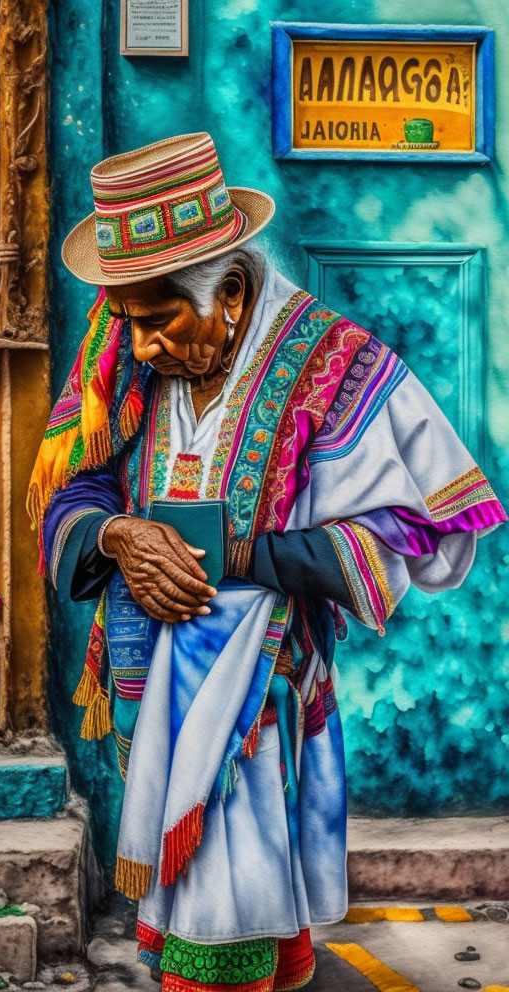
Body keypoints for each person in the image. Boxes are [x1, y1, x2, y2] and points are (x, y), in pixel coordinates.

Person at [28, 132, 505, 992]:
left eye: (158, 321)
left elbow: (412, 528)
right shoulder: (124, 343)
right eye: (128, 320)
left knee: (224, 920)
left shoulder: (334, 366)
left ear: (233, 295)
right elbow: (69, 492)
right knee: (235, 923)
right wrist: (117, 536)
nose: (137, 345)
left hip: (260, 694)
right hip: (155, 691)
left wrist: (247, 552)